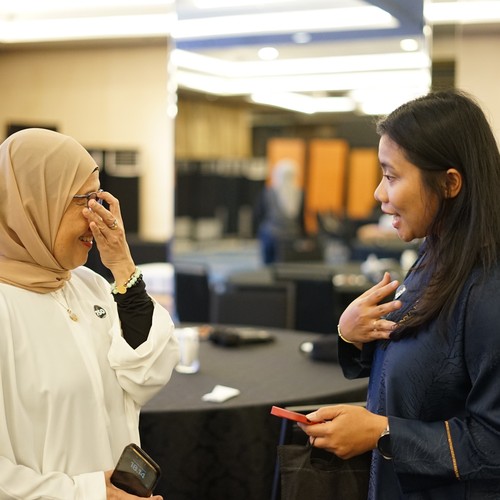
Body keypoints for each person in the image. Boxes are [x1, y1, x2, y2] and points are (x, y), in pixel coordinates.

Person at [297, 90, 500, 499]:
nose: (378, 193)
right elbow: (427, 367)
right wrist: (352, 335)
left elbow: (492, 443)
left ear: (450, 183)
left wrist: (381, 432)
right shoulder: (436, 252)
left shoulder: (488, 289)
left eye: (391, 176)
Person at [0, 128, 180, 499]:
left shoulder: (87, 284)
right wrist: (91, 493)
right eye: (84, 200)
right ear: (35, 204)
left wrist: (123, 266)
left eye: (99, 199)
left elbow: (145, 375)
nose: (98, 216)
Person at [254, 159, 305, 264]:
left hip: (271, 234)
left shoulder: (268, 192)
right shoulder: (300, 193)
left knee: (268, 265)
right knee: (288, 264)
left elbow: (259, 213)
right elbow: (301, 218)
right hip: (291, 234)